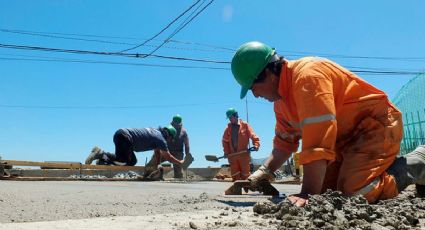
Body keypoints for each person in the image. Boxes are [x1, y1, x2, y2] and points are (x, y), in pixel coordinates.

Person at [230, 41, 425, 207]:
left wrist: (307, 194)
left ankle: (418, 162)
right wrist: (264, 172)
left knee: (356, 192)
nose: (255, 94)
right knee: (329, 194)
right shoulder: (281, 103)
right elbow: (284, 143)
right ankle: (370, 168)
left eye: (253, 87)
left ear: (268, 74)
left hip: (374, 126)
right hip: (343, 141)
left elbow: (319, 140)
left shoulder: (308, 77)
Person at [85, 125, 185, 180]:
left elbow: (157, 151)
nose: (169, 141)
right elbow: (168, 157)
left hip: (121, 135)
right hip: (125, 138)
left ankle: (103, 160)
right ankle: (100, 153)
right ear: (169, 135)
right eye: (170, 139)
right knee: (123, 160)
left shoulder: (156, 132)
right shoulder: (161, 139)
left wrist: (157, 164)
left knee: (132, 161)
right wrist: (180, 162)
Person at [222, 108, 260, 181]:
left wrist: (256, 144)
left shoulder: (245, 125)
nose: (229, 119)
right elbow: (225, 141)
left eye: (230, 117)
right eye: (229, 118)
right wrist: (226, 152)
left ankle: (246, 190)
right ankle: (237, 191)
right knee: (235, 175)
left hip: (243, 154)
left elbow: (253, 135)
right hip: (232, 156)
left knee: (245, 174)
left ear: (235, 116)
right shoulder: (228, 128)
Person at [166, 114, 193, 178]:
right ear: (172, 123)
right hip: (166, 151)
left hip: (178, 153)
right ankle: (149, 173)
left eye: (177, 124)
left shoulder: (183, 132)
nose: (175, 126)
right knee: (154, 162)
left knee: (179, 173)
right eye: (174, 124)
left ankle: (178, 177)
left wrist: (187, 155)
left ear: (180, 124)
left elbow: (187, 145)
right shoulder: (167, 129)